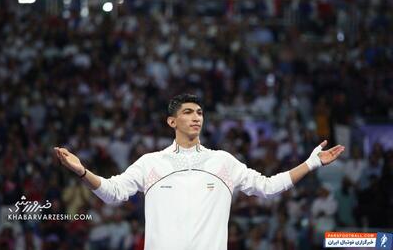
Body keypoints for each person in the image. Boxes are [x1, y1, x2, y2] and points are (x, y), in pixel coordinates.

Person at [54, 93, 345, 250]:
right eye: (188, 112)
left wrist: (312, 163)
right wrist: (82, 172)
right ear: (171, 121)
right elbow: (112, 193)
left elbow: (268, 187)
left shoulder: (223, 162)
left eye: (200, 113)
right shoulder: (150, 162)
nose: (196, 118)